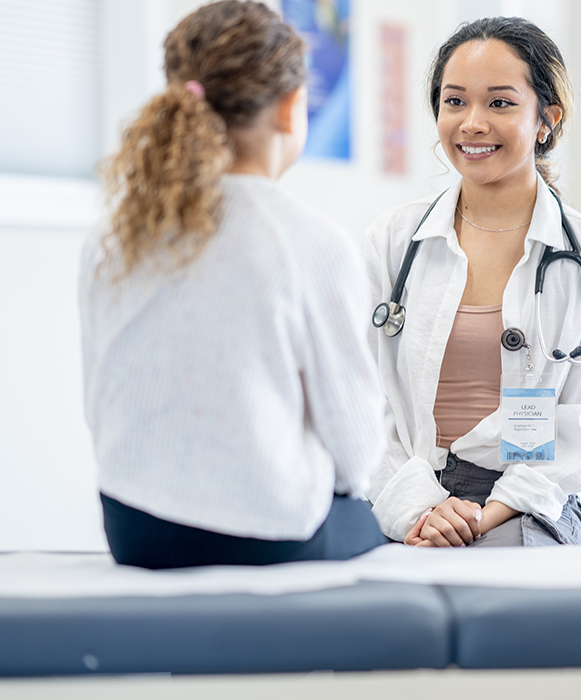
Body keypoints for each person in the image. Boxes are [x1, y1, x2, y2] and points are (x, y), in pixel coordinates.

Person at [79, 0, 387, 569]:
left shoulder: (114, 235)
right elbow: (357, 451)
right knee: (374, 520)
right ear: (292, 108)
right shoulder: (309, 241)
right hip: (261, 534)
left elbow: (100, 404)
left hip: (132, 527)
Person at [363, 17, 581, 548]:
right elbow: (360, 403)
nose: (472, 123)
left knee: (510, 580)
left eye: (501, 103)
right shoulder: (392, 242)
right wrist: (419, 509)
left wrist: (484, 518)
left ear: (546, 119)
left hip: (530, 500)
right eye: (455, 101)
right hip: (402, 489)